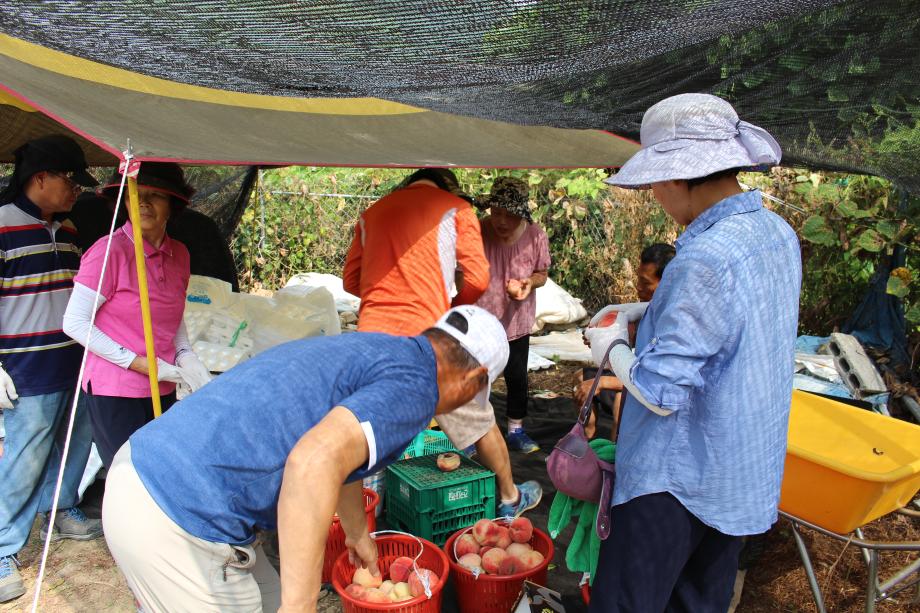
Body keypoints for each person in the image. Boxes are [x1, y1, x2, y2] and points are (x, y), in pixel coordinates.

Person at [102, 305, 509, 612]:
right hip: (177, 510)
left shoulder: (385, 349)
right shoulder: (417, 389)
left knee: (273, 596)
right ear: (474, 380)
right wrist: (302, 605)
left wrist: (356, 534)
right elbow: (312, 463)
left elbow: (342, 457)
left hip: (149, 463)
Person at [585, 93, 801, 612]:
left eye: (658, 180)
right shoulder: (775, 232)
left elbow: (660, 392)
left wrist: (609, 345)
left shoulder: (702, 257)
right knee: (698, 601)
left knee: (629, 603)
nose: (656, 193)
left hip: (676, 480)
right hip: (739, 471)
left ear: (681, 177)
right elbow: (734, 321)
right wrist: (644, 310)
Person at [343, 168, 542, 518]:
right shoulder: (455, 209)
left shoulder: (372, 213)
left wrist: (386, 294)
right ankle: (510, 498)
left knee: (372, 428)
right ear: (449, 188)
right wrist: (448, 307)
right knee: (477, 419)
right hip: (428, 341)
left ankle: (373, 518)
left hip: (372, 339)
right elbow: (478, 280)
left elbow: (350, 282)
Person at [0, 135, 103, 603]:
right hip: (26, 365)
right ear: (39, 178)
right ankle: (3, 546)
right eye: (69, 181)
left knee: (74, 441)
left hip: (74, 358)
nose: (76, 191)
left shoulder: (70, 232)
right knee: (26, 454)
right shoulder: (2, 227)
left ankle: (60, 509)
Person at [62, 162, 211, 469]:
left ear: (173, 205)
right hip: (116, 387)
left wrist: (185, 356)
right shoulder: (109, 252)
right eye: (135, 194)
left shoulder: (180, 253)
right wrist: (141, 364)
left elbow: (170, 315)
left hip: (162, 382)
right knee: (127, 475)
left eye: (155, 195)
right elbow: (75, 323)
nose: (143, 202)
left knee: (159, 471)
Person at [475, 177, 550, 453]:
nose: (501, 221)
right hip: (480, 319)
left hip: (516, 320)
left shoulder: (536, 235)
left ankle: (515, 431)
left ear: (521, 213)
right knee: (477, 376)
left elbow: (542, 272)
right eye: (496, 213)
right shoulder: (478, 230)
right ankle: (474, 433)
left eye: (509, 215)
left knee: (517, 376)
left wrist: (529, 283)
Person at [573, 242, 675, 438]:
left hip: (648, 389)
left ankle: (617, 459)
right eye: (638, 279)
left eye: (645, 283)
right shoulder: (645, 311)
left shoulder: (673, 322)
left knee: (622, 402)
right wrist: (599, 339)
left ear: (667, 282)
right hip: (629, 376)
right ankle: (586, 440)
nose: (638, 287)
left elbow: (656, 385)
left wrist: (601, 381)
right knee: (580, 377)